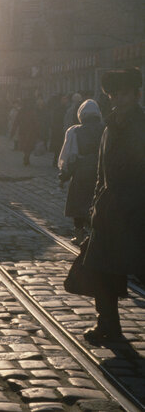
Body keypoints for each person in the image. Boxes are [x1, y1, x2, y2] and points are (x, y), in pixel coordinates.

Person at [80, 68, 145, 343]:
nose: (119, 98)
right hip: (109, 210)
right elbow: (101, 169)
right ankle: (107, 324)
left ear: (135, 93)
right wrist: (96, 202)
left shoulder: (140, 125)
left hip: (136, 209)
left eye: (124, 93)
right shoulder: (110, 125)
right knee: (101, 268)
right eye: (114, 93)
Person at [57, 99, 104, 244]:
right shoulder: (105, 128)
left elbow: (71, 157)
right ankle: (96, 235)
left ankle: (79, 235)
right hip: (101, 172)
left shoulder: (75, 131)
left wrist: (64, 175)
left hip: (82, 172)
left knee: (78, 204)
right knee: (97, 203)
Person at [10, 98, 39, 166]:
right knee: (29, 145)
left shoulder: (21, 111)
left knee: (25, 145)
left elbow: (16, 122)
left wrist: (12, 132)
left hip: (23, 131)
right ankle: (27, 156)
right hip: (31, 132)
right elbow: (36, 122)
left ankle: (26, 156)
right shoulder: (32, 111)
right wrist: (38, 131)